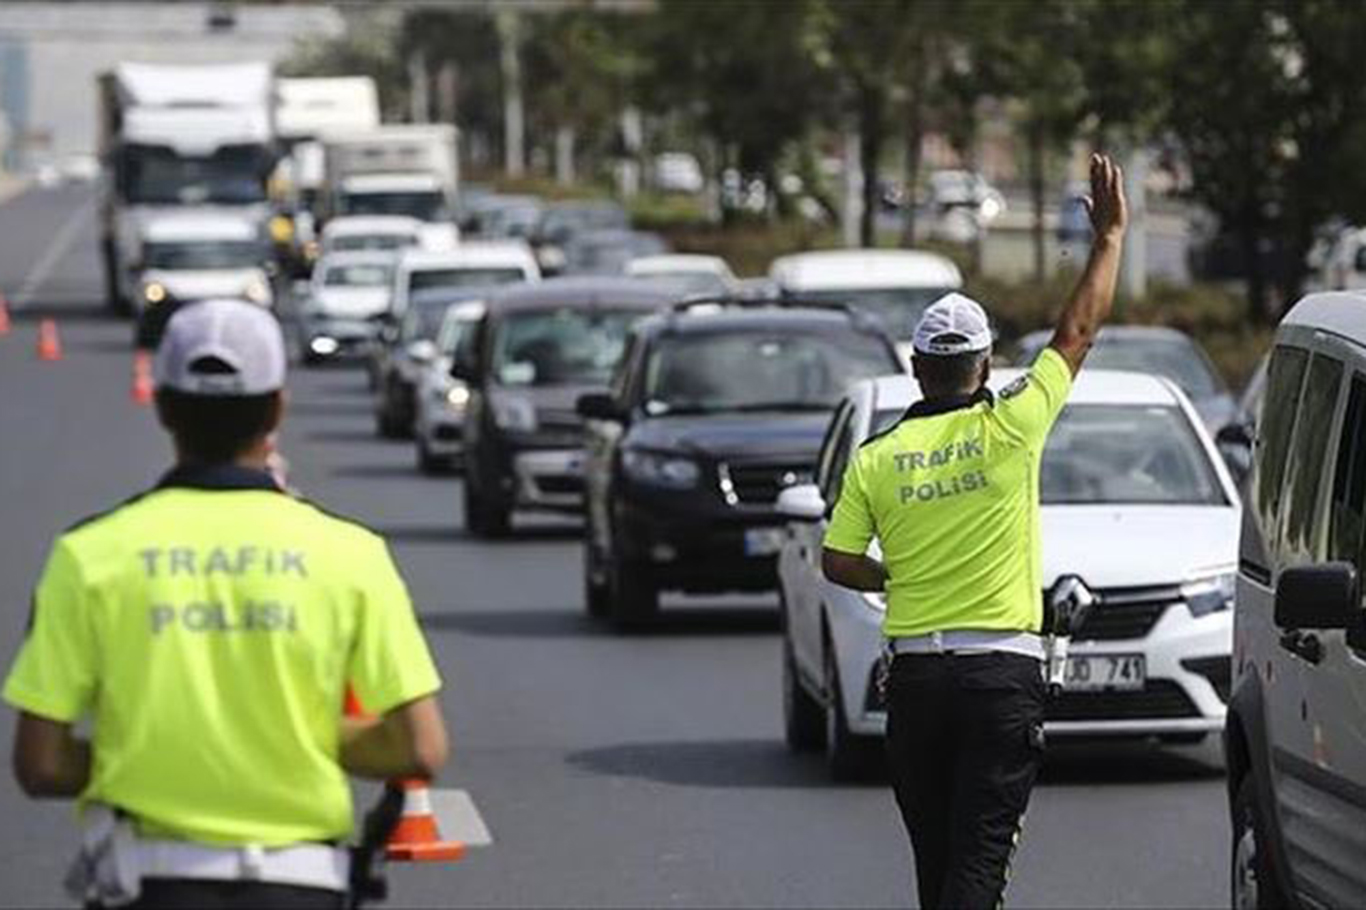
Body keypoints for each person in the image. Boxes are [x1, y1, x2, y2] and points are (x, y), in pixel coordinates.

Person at [4, 298, 449, 909]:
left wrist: (153, 753)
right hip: (303, 882)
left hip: (147, 884)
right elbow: (419, 748)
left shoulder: (89, 556)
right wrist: (290, 736)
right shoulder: (351, 554)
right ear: (277, 409)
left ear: (162, 406)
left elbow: (40, 763)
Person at [821, 154, 1128, 908]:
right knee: (978, 864)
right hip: (1000, 679)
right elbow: (1078, 331)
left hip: (918, 683)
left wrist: (898, 576)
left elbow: (836, 561)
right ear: (985, 366)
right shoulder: (1014, 425)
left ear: (919, 369)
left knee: (939, 866)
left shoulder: (877, 457)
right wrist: (1110, 238)